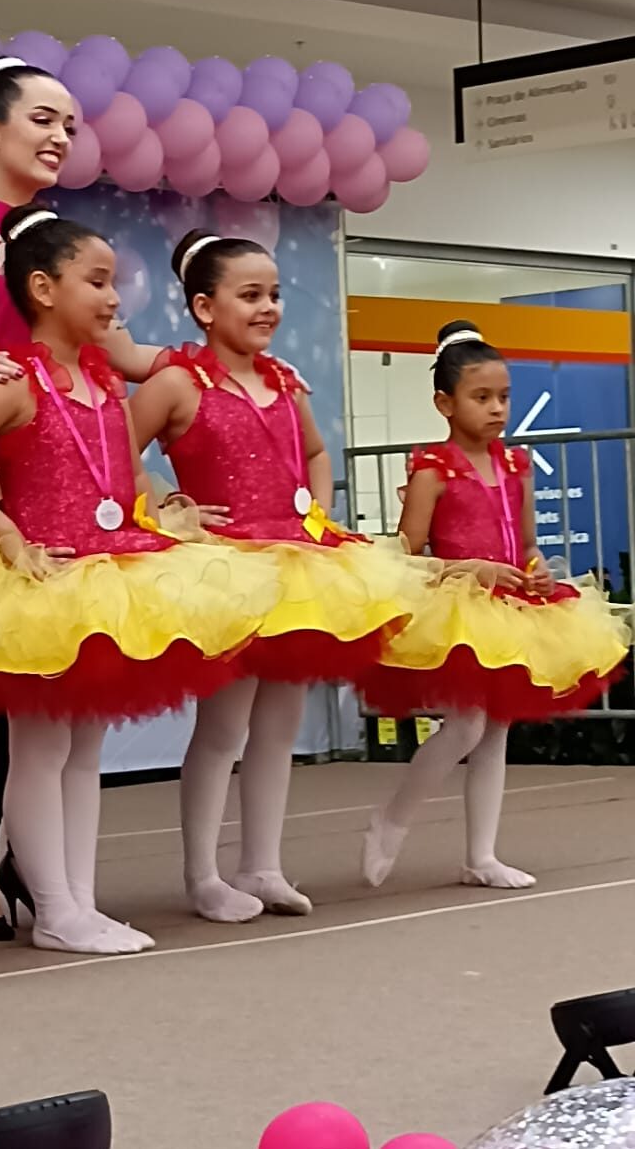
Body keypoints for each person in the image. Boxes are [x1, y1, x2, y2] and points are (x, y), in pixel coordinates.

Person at [0, 208, 276, 954]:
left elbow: (116, 471)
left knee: (85, 745)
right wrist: (4, 534)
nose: (113, 299)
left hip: (109, 562)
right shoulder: (14, 378)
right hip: (47, 578)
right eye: (97, 282)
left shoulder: (102, 381)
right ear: (42, 287)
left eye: (114, 283)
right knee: (39, 745)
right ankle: (56, 907)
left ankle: (79, 900)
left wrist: (163, 504)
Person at [0, 56, 164, 940]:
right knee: (22, 700)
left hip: (77, 484)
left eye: (69, 127)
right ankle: (0, 866)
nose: (58, 137)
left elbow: (122, 364)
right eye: (42, 119)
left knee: (60, 711)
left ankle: (41, 876)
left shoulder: (75, 247)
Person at [129, 230, 414, 924]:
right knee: (224, 727)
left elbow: (316, 450)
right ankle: (202, 873)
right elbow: (115, 453)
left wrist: (316, 507)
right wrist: (171, 503)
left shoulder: (285, 382)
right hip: (227, 570)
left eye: (275, 295)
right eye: (249, 295)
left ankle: (263, 865)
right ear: (204, 306)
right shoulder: (177, 382)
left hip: (297, 565)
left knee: (280, 724)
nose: (267, 308)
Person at [356, 321, 628, 890]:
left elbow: (526, 545)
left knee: (496, 727)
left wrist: (538, 571)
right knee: (466, 725)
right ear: (444, 402)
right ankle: (391, 819)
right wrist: (471, 570)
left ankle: (481, 854)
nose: (497, 409)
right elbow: (408, 554)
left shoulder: (515, 466)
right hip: (458, 604)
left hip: (511, 607)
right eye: (482, 398)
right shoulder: (433, 467)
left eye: (504, 397)